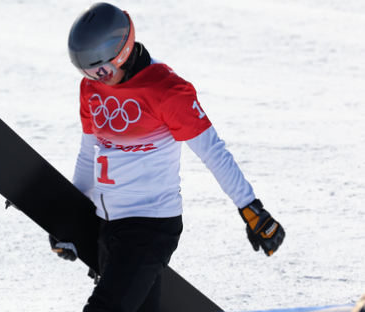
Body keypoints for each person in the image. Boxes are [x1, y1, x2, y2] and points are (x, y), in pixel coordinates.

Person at [49, 3, 285, 311]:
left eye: (99, 69)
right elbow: (88, 154)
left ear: (121, 51)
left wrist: (250, 207)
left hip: (150, 224)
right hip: (108, 225)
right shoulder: (90, 89)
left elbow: (213, 152)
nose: (95, 77)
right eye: (85, 71)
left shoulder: (167, 90)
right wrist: (73, 215)